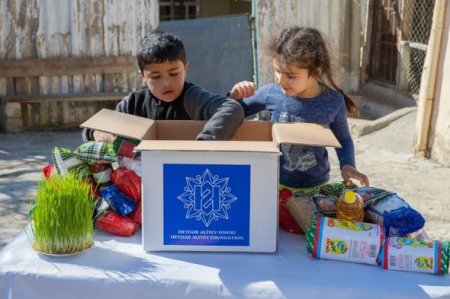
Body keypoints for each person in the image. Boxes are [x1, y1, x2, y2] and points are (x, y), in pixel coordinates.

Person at [229, 26, 369, 189]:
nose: (280, 80)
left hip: (317, 188)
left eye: (290, 76)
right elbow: (232, 114)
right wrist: (234, 97)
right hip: (275, 185)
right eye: (277, 71)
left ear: (316, 73)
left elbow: (343, 139)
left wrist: (348, 165)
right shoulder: (271, 93)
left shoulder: (333, 102)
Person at [82, 31, 244, 142]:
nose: (166, 82)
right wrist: (98, 133)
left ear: (185, 69)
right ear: (143, 76)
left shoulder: (193, 97)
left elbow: (231, 108)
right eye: (155, 76)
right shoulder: (133, 103)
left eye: (173, 73)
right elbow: (92, 128)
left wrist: (204, 145)